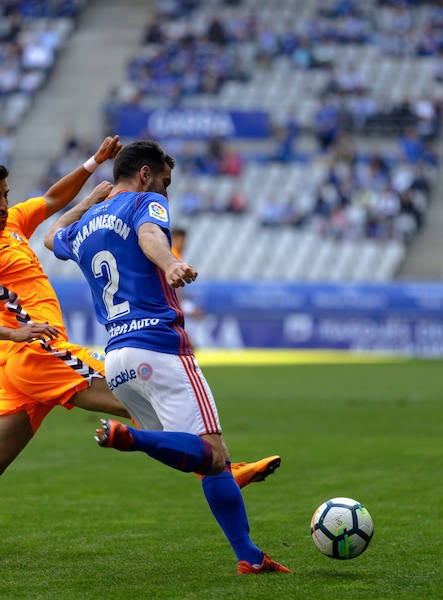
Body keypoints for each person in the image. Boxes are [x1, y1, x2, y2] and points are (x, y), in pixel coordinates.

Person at [0, 136, 278, 558]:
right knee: (137, 390)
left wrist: (91, 166)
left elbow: (50, 202)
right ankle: (225, 467)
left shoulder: (10, 223)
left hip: (25, 367)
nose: (4, 204)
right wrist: (13, 333)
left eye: (5, 194)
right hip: (37, 352)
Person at [45, 140, 289, 575]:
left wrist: (86, 201)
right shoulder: (145, 202)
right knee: (212, 453)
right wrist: (170, 263)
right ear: (144, 175)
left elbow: (49, 237)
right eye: (165, 181)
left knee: (203, 460)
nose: (166, 191)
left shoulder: (84, 226)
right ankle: (130, 438)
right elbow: (149, 235)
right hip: (160, 346)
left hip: (118, 359)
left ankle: (249, 557)